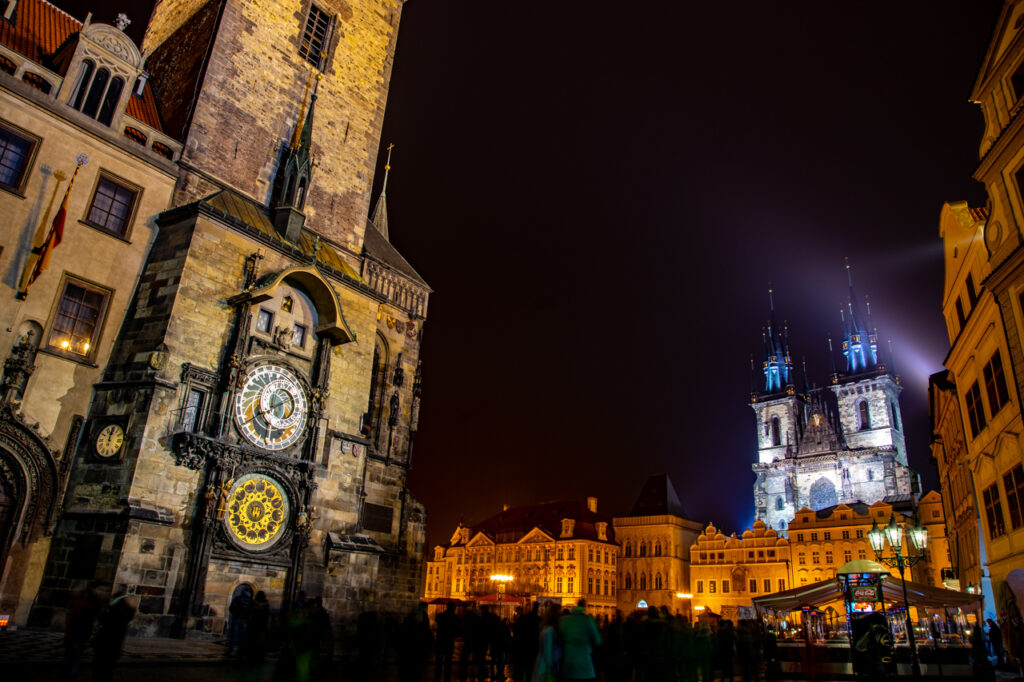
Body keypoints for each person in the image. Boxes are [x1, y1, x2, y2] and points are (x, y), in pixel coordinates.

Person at [59, 580, 110, 681]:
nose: (103, 592)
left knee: (73, 659)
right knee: (70, 660)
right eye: (101, 590)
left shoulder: (95, 600)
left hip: (83, 635)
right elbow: (76, 618)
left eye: (106, 591)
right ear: (94, 589)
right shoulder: (85, 599)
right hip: (75, 635)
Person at [91, 592, 138, 682]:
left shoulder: (116, 614)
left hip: (106, 645)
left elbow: (104, 620)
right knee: (106, 671)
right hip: (113, 647)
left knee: (101, 671)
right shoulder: (125, 613)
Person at [558, 599, 601, 682]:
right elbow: (597, 641)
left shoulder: (565, 621)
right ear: (584, 607)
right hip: (585, 668)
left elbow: (559, 640)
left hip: (568, 668)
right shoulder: (588, 620)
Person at [532, 603, 562, 682]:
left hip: (542, 665)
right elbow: (548, 653)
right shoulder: (550, 630)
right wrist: (551, 668)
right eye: (559, 614)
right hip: (546, 669)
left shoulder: (545, 628)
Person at [434, 602, 460, 682]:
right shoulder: (455, 618)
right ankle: (446, 678)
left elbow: (437, 620)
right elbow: (458, 631)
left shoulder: (441, 616)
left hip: (441, 640)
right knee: (448, 662)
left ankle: (437, 678)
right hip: (449, 641)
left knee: (439, 661)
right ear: (454, 608)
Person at [243, 591, 270, 662]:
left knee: (252, 640)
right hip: (262, 624)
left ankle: (250, 655)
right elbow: (267, 615)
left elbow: (248, 612)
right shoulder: (266, 604)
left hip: (253, 623)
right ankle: (258, 655)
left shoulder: (253, 603)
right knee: (260, 640)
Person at [227, 586, 253, 656]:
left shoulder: (238, 599)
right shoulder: (251, 601)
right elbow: (251, 611)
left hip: (236, 618)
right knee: (242, 636)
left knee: (234, 635)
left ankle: (231, 650)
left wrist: (235, 614)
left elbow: (231, 608)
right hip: (244, 620)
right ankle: (241, 651)